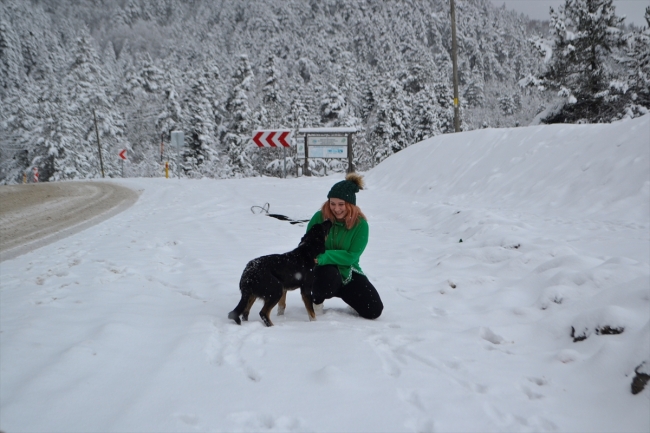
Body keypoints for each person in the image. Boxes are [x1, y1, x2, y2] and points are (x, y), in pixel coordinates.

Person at [306, 173, 383, 320]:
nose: (336, 208)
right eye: (332, 203)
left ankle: (348, 296)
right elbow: (309, 244)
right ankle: (317, 300)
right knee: (326, 275)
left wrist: (325, 255)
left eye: (341, 204)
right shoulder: (319, 217)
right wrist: (320, 259)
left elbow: (351, 256)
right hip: (322, 270)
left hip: (347, 271)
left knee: (374, 310)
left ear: (350, 204)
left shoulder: (361, 225)